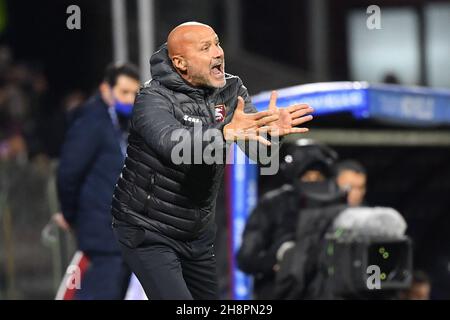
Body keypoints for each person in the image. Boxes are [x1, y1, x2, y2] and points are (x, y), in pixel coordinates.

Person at [111, 21, 314, 300]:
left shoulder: (231, 91)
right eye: (205, 48)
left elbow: (262, 156)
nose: (218, 52)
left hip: (196, 234)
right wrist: (225, 132)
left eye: (217, 43)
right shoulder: (152, 97)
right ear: (180, 63)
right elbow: (174, 148)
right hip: (148, 230)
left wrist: (272, 135)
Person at [56, 62, 140, 299]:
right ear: (106, 89)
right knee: (103, 290)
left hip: (123, 232)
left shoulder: (125, 125)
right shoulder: (91, 122)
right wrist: (70, 214)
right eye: (124, 92)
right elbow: (68, 173)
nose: (130, 99)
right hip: (102, 230)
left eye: (135, 93)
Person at [237, 139, 340, 299]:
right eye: (307, 176)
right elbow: (246, 258)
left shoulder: (337, 204)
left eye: (318, 177)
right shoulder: (273, 204)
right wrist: (280, 260)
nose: (313, 183)